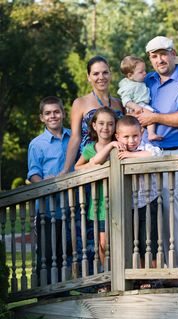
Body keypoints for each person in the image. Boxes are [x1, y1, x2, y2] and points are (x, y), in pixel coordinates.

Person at [135, 36, 178, 276]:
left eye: (163, 54)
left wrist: (154, 118)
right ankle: (151, 274)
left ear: (173, 53)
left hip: (175, 157)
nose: (159, 60)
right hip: (145, 157)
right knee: (145, 218)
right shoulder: (148, 81)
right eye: (153, 56)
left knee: (173, 217)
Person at [27, 96, 71, 285]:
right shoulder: (37, 144)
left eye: (56, 112)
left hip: (73, 204)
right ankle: (44, 296)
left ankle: (65, 291)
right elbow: (33, 173)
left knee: (68, 252)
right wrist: (45, 183)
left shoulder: (73, 138)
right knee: (46, 253)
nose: (53, 116)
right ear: (42, 118)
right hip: (47, 208)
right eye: (48, 113)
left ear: (63, 113)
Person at [115, 116, 162, 284]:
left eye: (135, 136)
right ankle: (142, 278)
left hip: (150, 201)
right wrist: (124, 153)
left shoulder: (146, 147)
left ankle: (155, 277)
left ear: (141, 133)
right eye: (126, 137)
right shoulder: (117, 152)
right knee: (137, 242)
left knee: (151, 240)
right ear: (117, 137)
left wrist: (130, 155)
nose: (131, 140)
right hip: (130, 205)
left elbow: (155, 154)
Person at [74, 107, 121, 268]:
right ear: (94, 125)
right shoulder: (90, 148)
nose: (105, 127)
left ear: (115, 126)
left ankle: (121, 272)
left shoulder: (120, 145)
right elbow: (78, 167)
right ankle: (107, 275)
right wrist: (92, 166)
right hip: (99, 204)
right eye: (101, 123)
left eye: (110, 124)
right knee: (102, 243)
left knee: (120, 240)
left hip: (119, 199)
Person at [62, 55, 123, 174]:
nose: (101, 77)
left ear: (110, 74)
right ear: (89, 77)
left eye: (105, 72)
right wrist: (66, 169)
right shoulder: (80, 103)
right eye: (95, 74)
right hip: (91, 164)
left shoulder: (119, 103)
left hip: (116, 162)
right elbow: (75, 137)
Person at [117, 55, 162, 142]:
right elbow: (126, 101)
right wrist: (136, 107)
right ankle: (151, 134)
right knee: (151, 115)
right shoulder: (128, 86)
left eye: (144, 70)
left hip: (141, 105)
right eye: (141, 72)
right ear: (130, 75)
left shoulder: (138, 82)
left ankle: (142, 138)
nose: (145, 73)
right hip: (138, 106)